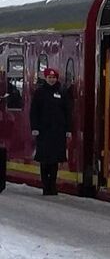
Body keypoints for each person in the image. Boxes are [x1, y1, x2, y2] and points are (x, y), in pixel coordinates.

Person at [29, 68, 72, 196]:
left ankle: (52, 185)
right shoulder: (40, 92)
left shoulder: (62, 92)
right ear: (46, 78)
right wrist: (34, 128)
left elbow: (67, 112)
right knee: (45, 160)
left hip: (58, 131)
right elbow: (34, 112)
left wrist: (68, 129)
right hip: (44, 131)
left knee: (55, 160)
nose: (52, 80)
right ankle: (45, 185)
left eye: (54, 78)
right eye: (49, 77)